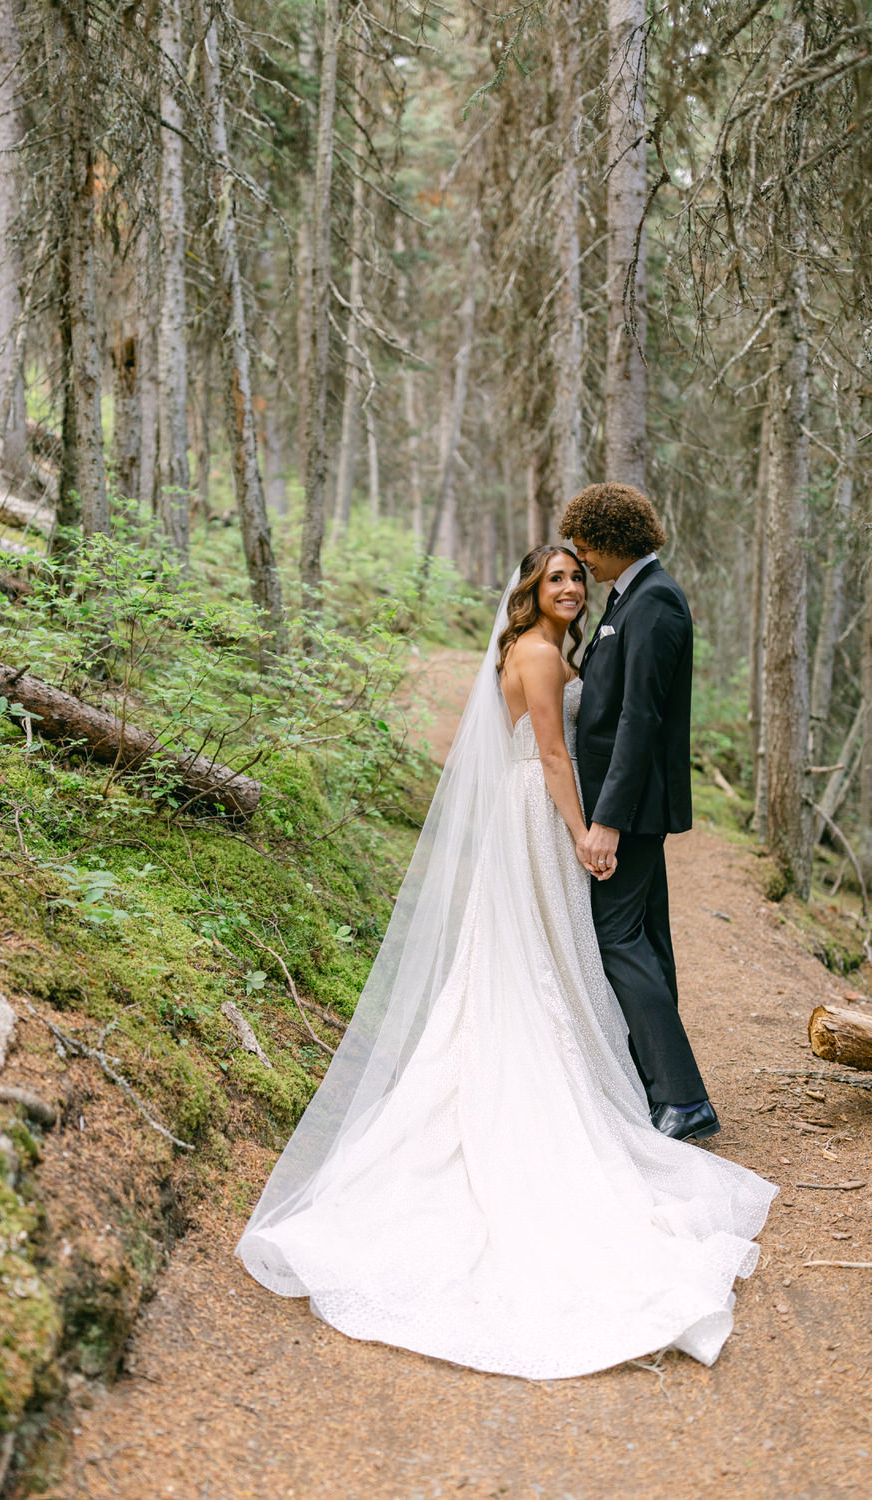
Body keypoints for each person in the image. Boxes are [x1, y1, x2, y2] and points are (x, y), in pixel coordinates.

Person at [236, 544, 775, 1381]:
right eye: (554, 579)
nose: (570, 588)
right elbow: (554, 757)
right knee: (538, 958)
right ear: (530, 591)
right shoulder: (533, 652)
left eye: (576, 578)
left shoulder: (548, 649)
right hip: (539, 812)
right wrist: (579, 832)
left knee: (546, 958)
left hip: (533, 811)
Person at [560, 483, 716, 1142]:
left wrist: (608, 819)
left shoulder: (654, 603)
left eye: (584, 545)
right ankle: (659, 1082)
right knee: (645, 937)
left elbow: (638, 719)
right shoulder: (629, 597)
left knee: (616, 938)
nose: (580, 558)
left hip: (629, 808)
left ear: (611, 540)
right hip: (628, 804)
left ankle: (683, 1099)